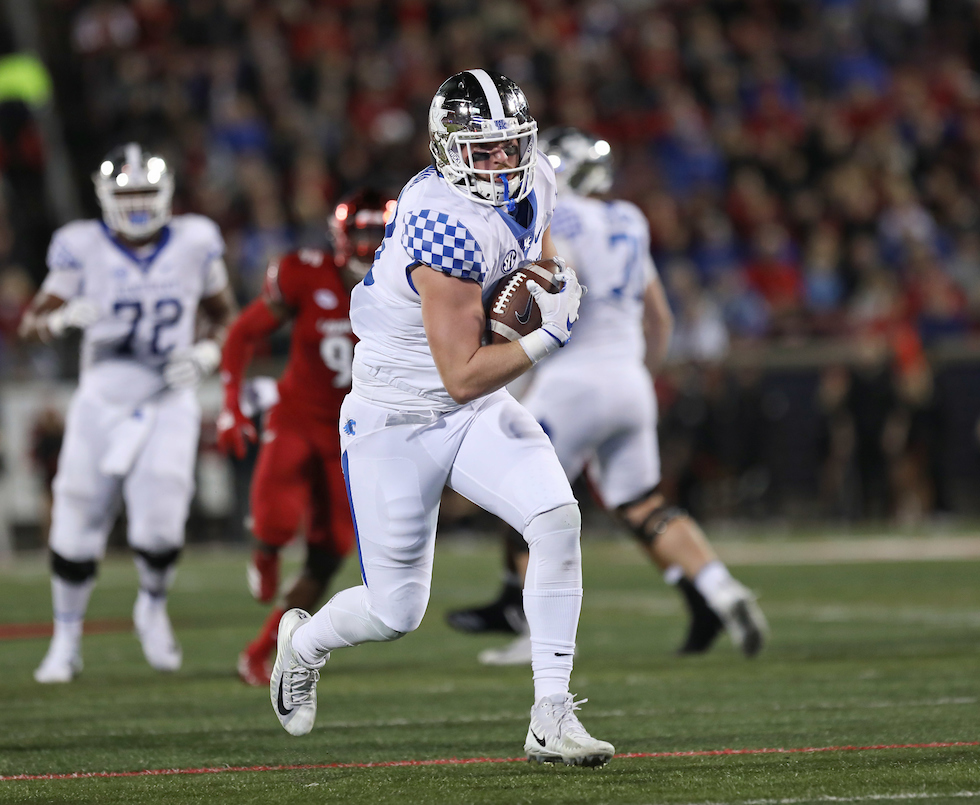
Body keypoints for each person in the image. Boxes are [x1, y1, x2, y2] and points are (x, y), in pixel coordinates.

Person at [268, 70, 613, 767]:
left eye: (508, 145)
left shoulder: (536, 178)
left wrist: (546, 290)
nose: (500, 163)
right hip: (398, 415)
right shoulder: (441, 220)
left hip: (473, 403)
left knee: (555, 518)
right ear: (445, 149)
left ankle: (550, 713)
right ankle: (300, 644)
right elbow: (459, 375)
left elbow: (535, 261)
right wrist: (546, 336)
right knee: (396, 612)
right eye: (481, 151)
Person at [448, 128, 768, 666]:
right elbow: (659, 317)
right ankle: (719, 587)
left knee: (526, 500)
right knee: (643, 503)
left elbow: (543, 292)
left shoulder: (556, 216)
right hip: (629, 379)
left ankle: (528, 627)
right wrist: (641, 376)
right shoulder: (630, 219)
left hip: (573, 380)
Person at [18, 143, 235, 683]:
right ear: (105, 195)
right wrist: (64, 315)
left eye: (144, 192)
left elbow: (225, 317)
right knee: (74, 522)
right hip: (102, 401)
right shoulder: (80, 245)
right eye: (127, 193)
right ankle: (65, 639)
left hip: (167, 399)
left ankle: (152, 606)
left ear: (164, 195)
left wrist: (208, 353)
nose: (136, 204)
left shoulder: (194, 239)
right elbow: (32, 323)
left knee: (161, 528)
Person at [216, 189, 391, 686]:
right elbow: (242, 333)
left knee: (331, 550)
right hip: (299, 415)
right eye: (362, 234)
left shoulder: (412, 283)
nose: (371, 244)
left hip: (355, 432)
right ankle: (266, 550)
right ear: (340, 238)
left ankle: (264, 647)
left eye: (380, 232)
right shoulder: (303, 271)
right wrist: (231, 406)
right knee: (275, 516)